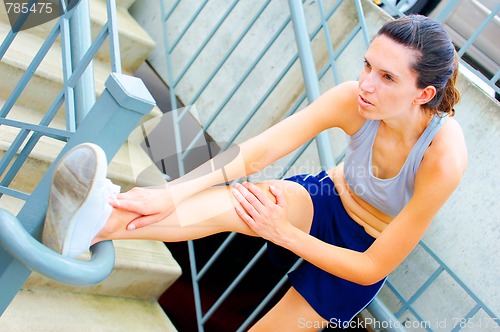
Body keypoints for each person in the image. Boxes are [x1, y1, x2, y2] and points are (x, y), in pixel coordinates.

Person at [42, 15, 467, 331]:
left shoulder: (443, 157)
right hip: (326, 200)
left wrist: (281, 232)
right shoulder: (353, 100)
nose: (366, 84)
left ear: (424, 94)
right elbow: (260, 150)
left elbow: (372, 266)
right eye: (367, 65)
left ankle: (97, 222)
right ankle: (99, 221)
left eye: (387, 77)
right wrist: (172, 192)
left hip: (361, 253)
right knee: (237, 204)